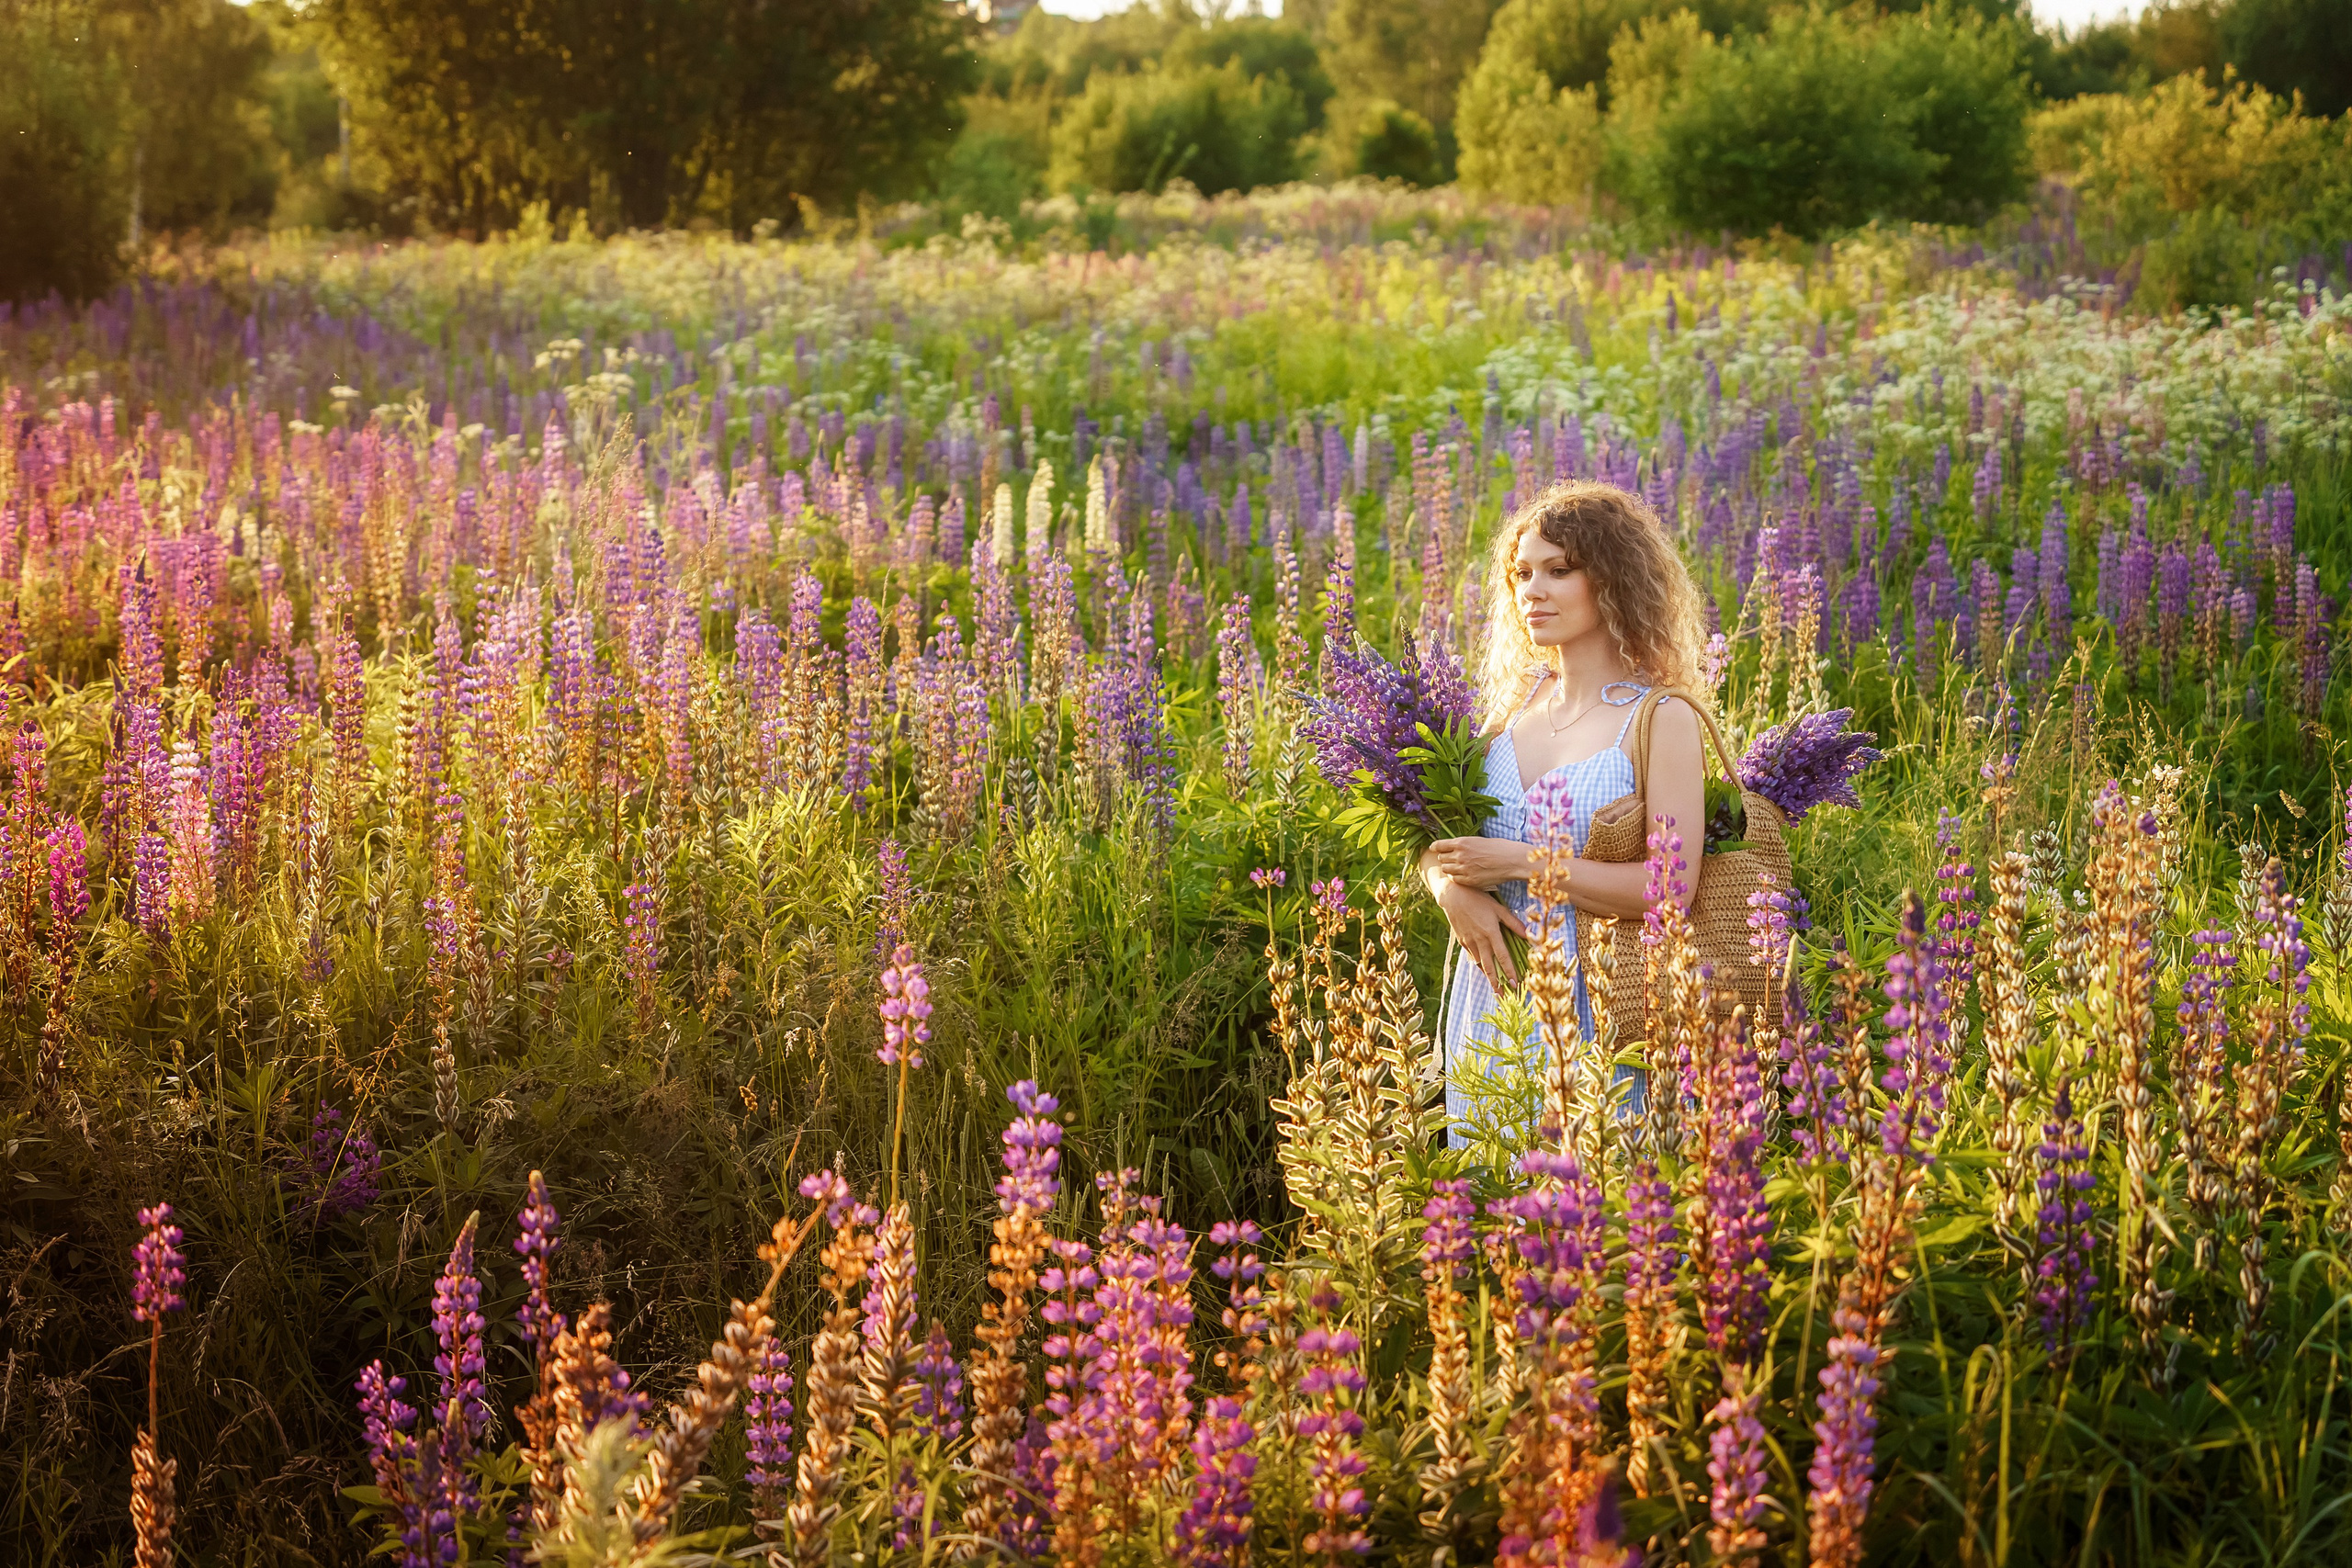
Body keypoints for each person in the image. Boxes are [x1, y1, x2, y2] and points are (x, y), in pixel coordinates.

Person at [1418, 479, 1708, 1141]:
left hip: (1604, 1005)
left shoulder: (1659, 716)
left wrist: (1525, 863)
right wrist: (1448, 889)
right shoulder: (1509, 710)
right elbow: (1430, 830)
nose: (1533, 591)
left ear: (1612, 578)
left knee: (1596, 1196)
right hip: (1494, 1006)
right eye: (1522, 573)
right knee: (1492, 1196)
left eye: (1559, 570)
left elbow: (1671, 888)